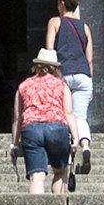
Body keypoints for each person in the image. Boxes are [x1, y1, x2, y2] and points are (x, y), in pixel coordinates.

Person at [45, 0, 97, 182]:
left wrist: (50, 77)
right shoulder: (85, 27)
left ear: (62, 4)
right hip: (84, 75)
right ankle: (85, 146)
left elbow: (50, 52)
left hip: (63, 74)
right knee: (80, 117)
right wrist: (90, 80)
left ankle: (67, 154)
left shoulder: (55, 22)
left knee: (64, 115)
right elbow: (90, 59)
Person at [13, 55, 75, 194]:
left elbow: (17, 118)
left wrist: (15, 144)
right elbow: (69, 113)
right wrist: (76, 138)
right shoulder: (61, 85)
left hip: (31, 128)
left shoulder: (24, 85)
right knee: (60, 171)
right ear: (55, 68)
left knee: (37, 176)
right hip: (57, 127)